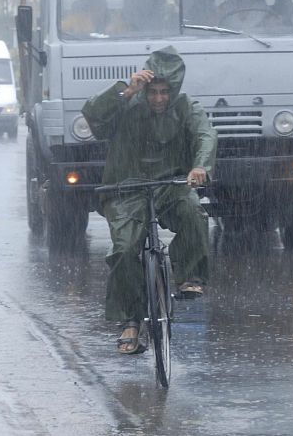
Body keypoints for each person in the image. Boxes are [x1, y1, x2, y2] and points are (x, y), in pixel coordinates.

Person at [81, 46, 217, 354]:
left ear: (174, 91)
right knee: (125, 249)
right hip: (126, 189)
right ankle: (130, 320)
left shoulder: (186, 107)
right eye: (153, 92)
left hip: (171, 185)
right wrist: (126, 91)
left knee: (194, 212)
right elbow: (93, 115)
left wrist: (200, 167)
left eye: (164, 92)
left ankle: (190, 276)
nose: (158, 99)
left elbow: (205, 135)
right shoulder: (127, 103)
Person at [62, 0, 127, 36]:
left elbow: (127, 36)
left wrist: (113, 34)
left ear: (105, 5)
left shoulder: (116, 21)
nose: (97, 7)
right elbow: (60, 31)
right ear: (88, 5)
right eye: (94, 3)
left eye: (100, 3)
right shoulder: (75, 20)